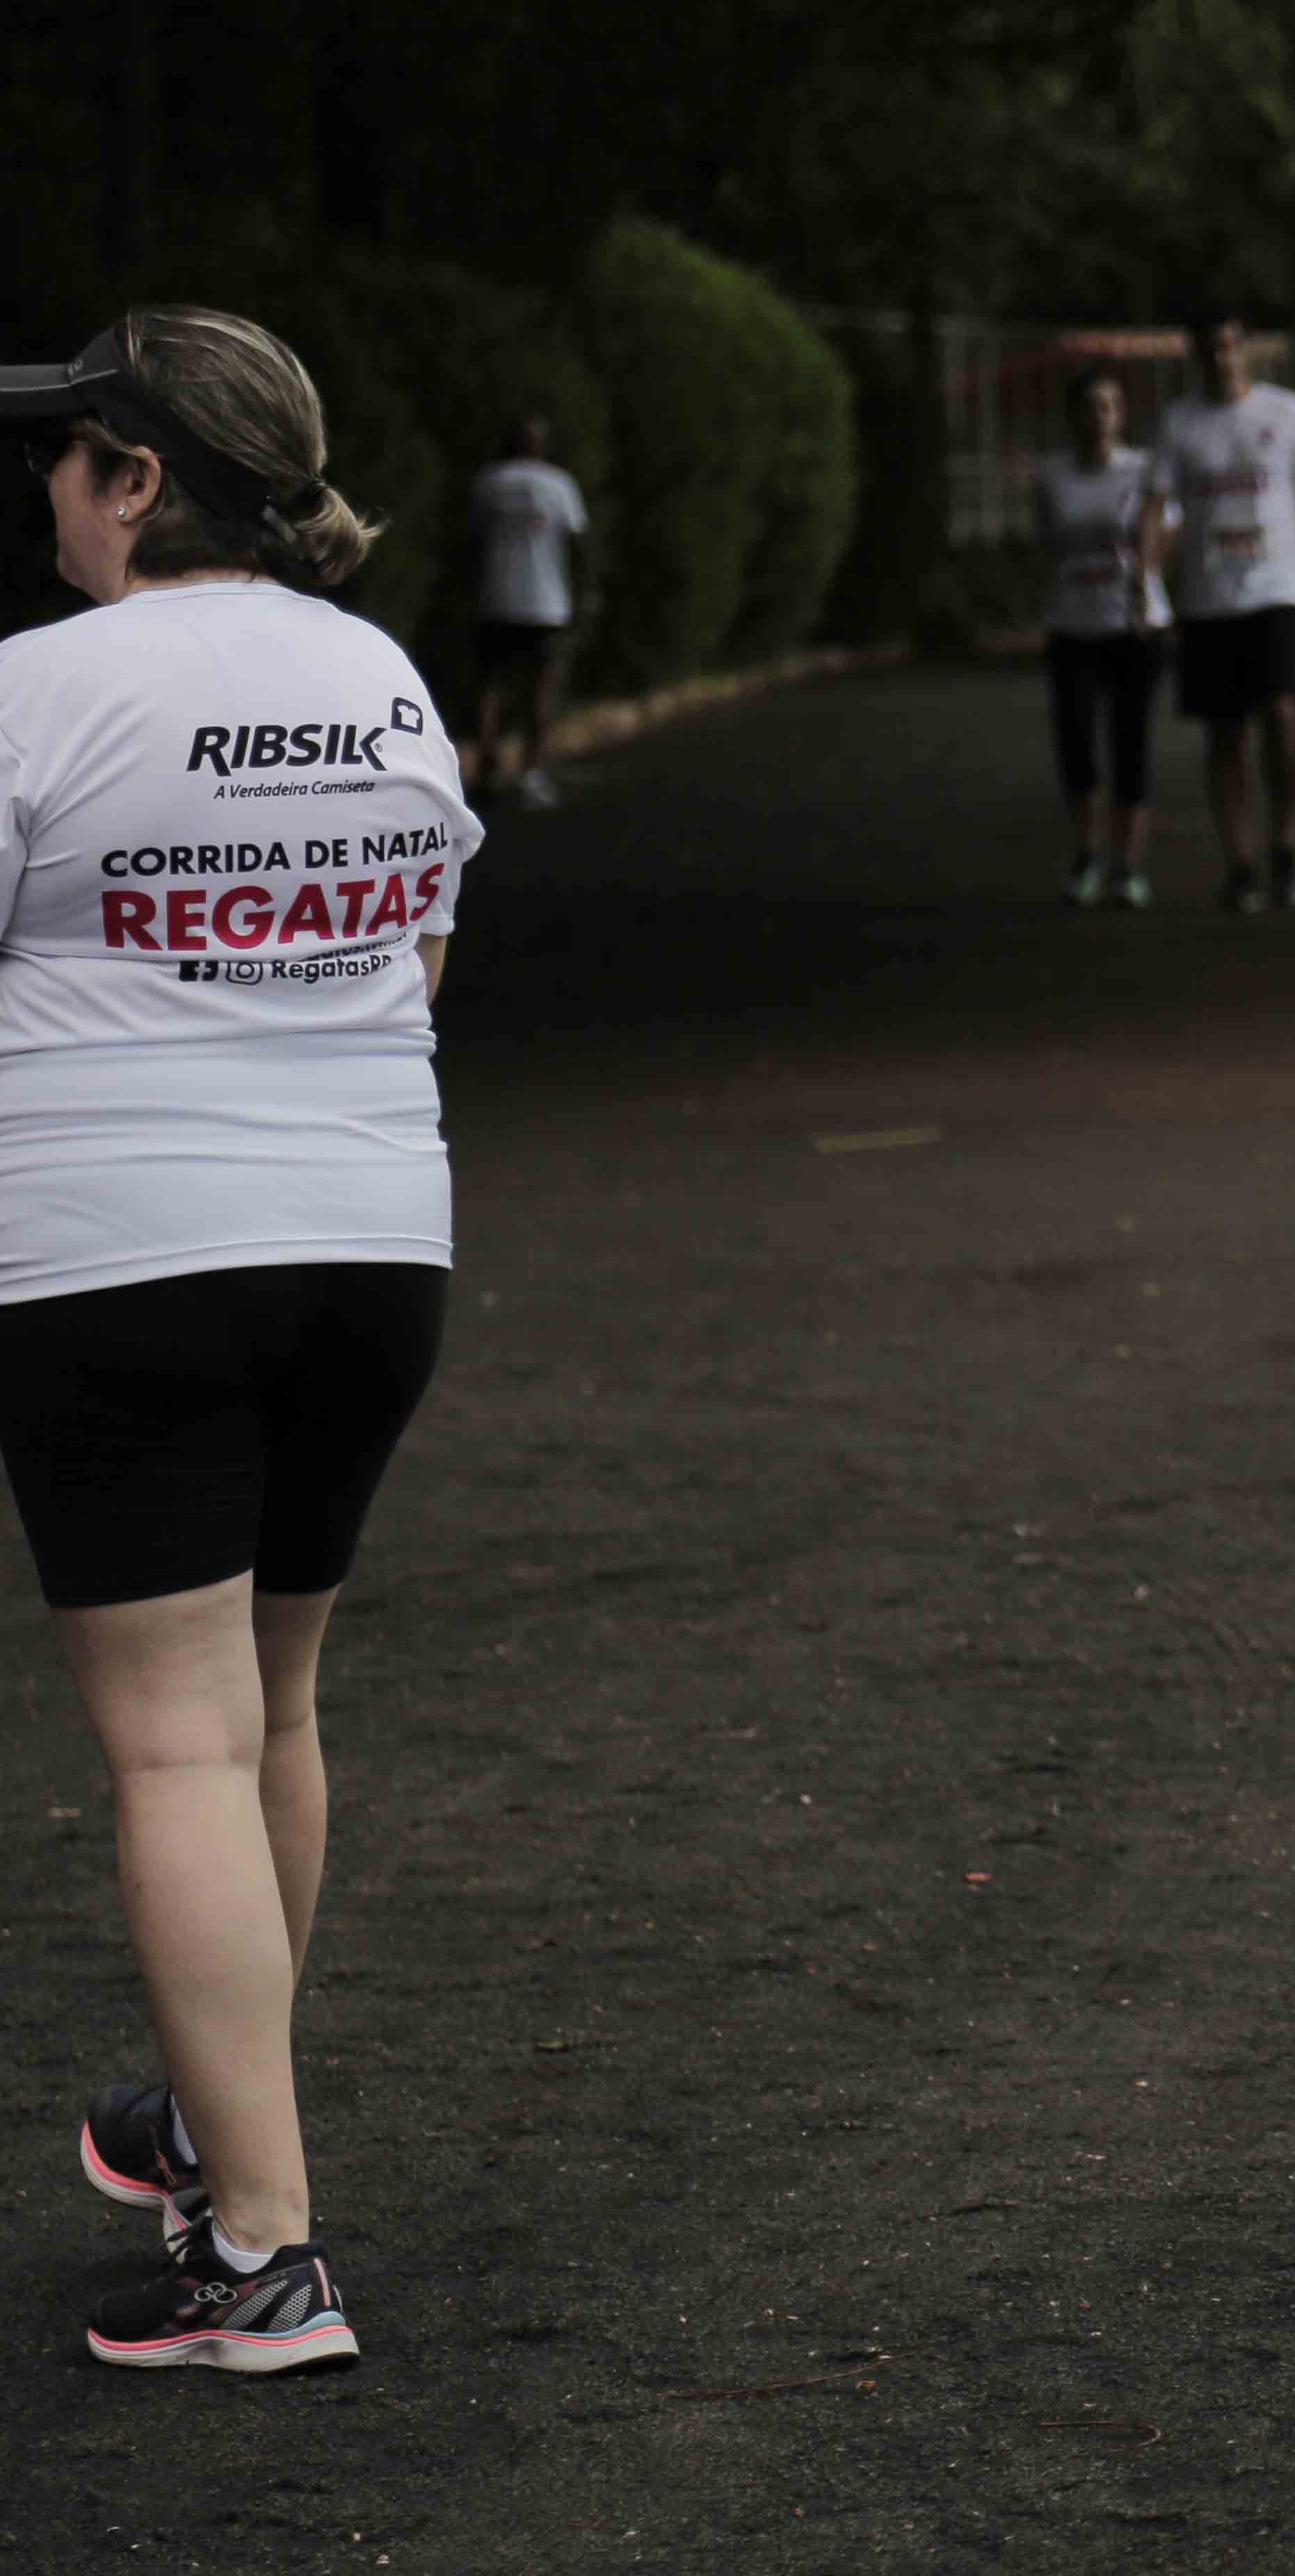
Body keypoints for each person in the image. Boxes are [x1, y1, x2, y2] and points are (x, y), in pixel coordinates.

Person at [0, 307, 482, 2372]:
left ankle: (268, 2258)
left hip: (123, 1250)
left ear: (133, 482)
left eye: (68, 453)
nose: (42, 486)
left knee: (176, 1738)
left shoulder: (40, 690)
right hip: (375, 1242)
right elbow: (421, 948)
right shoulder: (379, 675)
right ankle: (217, 2119)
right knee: (268, 1704)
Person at [1147, 317, 1295, 913]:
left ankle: (1287, 845)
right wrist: (1145, 583)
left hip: (1279, 590)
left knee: (1283, 712)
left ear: (1243, 350)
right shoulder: (1179, 423)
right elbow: (1157, 506)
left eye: (1229, 345)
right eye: (1210, 347)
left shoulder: (1287, 413)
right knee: (1225, 730)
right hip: (1208, 599)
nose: (1222, 357)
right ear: (1196, 355)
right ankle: (1241, 863)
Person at [1036, 369, 1172, 909]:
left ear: (1121, 415)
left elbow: (1166, 533)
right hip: (1073, 624)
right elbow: (1047, 543)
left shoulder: (1143, 471)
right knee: (1075, 739)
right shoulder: (1052, 476)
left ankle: (1128, 866)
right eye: (1089, 406)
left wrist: (1146, 579)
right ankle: (1087, 855)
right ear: (1073, 415)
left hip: (1134, 624)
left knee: (1130, 742)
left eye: (1109, 406)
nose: (1099, 417)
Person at [467, 415, 584, 814]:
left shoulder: (488, 482)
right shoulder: (559, 484)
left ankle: (487, 770)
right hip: (546, 603)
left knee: (491, 687)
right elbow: (577, 541)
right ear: (540, 446)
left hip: (496, 598)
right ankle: (530, 774)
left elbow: (474, 539)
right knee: (539, 689)